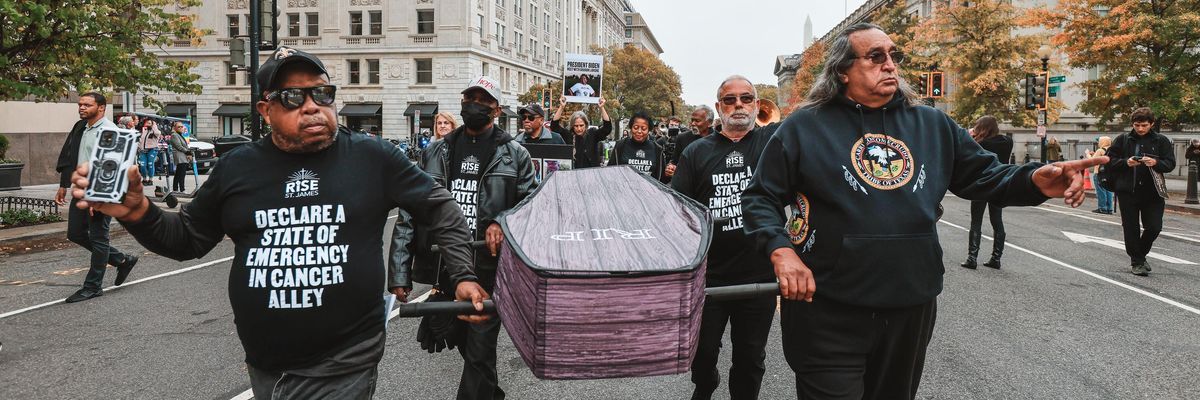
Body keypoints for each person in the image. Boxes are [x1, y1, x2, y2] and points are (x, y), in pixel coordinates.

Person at [69, 46, 490, 398]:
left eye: (322, 94)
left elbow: (439, 208)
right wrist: (139, 212)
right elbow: (188, 239)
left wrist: (462, 273)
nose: (312, 106)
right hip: (265, 363)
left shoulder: (374, 157)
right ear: (265, 109)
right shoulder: (237, 168)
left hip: (346, 360)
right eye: (293, 97)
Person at [739, 23, 1106, 399]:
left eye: (894, 55)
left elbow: (986, 176)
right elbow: (760, 197)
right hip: (827, 306)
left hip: (910, 304)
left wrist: (1036, 181)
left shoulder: (933, 124)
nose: (891, 65)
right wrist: (781, 251)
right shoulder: (804, 126)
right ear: (842, 71)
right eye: (876, 57)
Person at [390, 75, 537, 400]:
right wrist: (400, 271)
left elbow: (531, 206)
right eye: (470, 98)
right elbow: (410, 211)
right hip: (446, 269)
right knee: (461, 342)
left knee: (480, 349)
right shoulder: (437, 151)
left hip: (491, 269)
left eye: (483, 101)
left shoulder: (514, 155)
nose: (475, 105)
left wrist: (503, 220)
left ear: (496, 110)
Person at [671, 76, 776, 400]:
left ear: (757, 105)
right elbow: (679, 209)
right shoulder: (696, 152)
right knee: (701, 354)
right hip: (708, 276)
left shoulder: (773, 145)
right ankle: (706, 383)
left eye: (746, 98)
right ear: (719, 108)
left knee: (750, 357)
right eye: (729, 100)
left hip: (758, 275)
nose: (739, 105)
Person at [53, 92, 140, 303]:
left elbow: (115, 168)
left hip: (102, 192)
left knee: (98, 237)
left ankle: (93, 286)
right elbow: (69, 156)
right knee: (75, 233)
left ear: (101, 107)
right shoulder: (80, 127)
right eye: (80, 104)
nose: (81, 108)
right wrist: (64, 185)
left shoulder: (110, 131)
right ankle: (122, 259)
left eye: (87, 105)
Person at [1104, 107, 1176, 276]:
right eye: (1137, 125)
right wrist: (1125, 162)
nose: (1140, 129)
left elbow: (1170, 164)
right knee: (1131, 228)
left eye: (1144, 125)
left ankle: (1140, 256)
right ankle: (1137, 262)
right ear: (1132, 124)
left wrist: (1155, 162)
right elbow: (1109, 160)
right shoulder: (1123, 140)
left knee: (1154, 227)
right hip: (1128, 191)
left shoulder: (1161, 141)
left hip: (1153, 193)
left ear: (1151, 124)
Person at [960, 116, 1014, 269]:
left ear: (982, 127)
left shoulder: (980, 143)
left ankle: (972, 257)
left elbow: (968, 156)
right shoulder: (1007, 142)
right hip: (1000, 184)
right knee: (997, 220)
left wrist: (971, 137)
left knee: (976, 221)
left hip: (982, 184)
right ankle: (996, 258)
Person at [549, 96, 612, 168]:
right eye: (576, 126)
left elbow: (607, 128)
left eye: (581, 125)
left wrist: (602, 108)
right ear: (572, 126)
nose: (579, 129)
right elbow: (554, 126)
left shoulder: (592, 133)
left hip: (591, 174)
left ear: (586, 124)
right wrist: (561, 107)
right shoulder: (568, 135)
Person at [610, 112, 666, 181]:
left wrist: (669, 173)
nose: (639, 131)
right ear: (631, 128)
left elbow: (663, 179)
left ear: (649, 130)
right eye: (635, 127)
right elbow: (610, 172)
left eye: (643, 128)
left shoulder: (657, 149)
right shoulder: (620, 145)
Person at [666, 106, 716, 179]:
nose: (693, 123)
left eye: (697, 121)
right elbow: (675, 161)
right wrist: (671, 167)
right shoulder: (682, 138)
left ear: (709, 123)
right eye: (692, 120)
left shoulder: (719, 139)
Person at [1087, 136, 1114, 214]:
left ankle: (1102, 208)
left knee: (1101, 190)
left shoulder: (1100, 150)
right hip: (1109, 173)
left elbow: (1092, 161)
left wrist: (1088, 154)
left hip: (1099, 172)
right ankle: (1109, 208)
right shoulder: (1112, 150)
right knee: (1109, 190)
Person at [167, 121, 191, 192]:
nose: (181, 128)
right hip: (180, 157)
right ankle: (182, 189)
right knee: (181, 174)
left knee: (178, 173)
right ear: (175, 128)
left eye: (181, 126)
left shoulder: (179, 135)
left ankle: (175, 189)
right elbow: (178, 146)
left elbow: (184, 145)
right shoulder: (174, 135)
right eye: (179, 127)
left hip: (183, 156)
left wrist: (188, 153)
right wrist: (187, 152)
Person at [138, 119, 162, 186]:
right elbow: (141, 141)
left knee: (150, 164)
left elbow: (158, 133)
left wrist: (154, 126)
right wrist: (140, 148)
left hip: (152, 149)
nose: (147, 124)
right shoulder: (144, 131)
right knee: (142, 165)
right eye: (147, 123)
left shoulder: (156, 131)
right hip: (143, 150)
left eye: (149, 123)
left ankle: (151, 179)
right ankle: (144, 179)